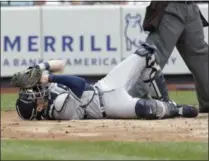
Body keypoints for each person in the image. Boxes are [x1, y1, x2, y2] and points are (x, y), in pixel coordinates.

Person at [11, 43, 198, 120]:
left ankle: (167, 102)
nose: (38, 91)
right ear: (40, 108)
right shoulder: (57, 109)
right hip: (109, 106)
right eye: (35, 95)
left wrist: (41, 66)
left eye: (34, 90)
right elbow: (79, 84)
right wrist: (50, 77)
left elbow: (60, 64)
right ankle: (176, 109)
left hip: (105, 85)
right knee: (148, 109)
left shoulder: (44, 99)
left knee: (146, 53)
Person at [130, 1, 209, 113]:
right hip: (170, 6)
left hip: (191, 8)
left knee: (202, 58)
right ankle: (132, 100)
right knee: (153, 55)